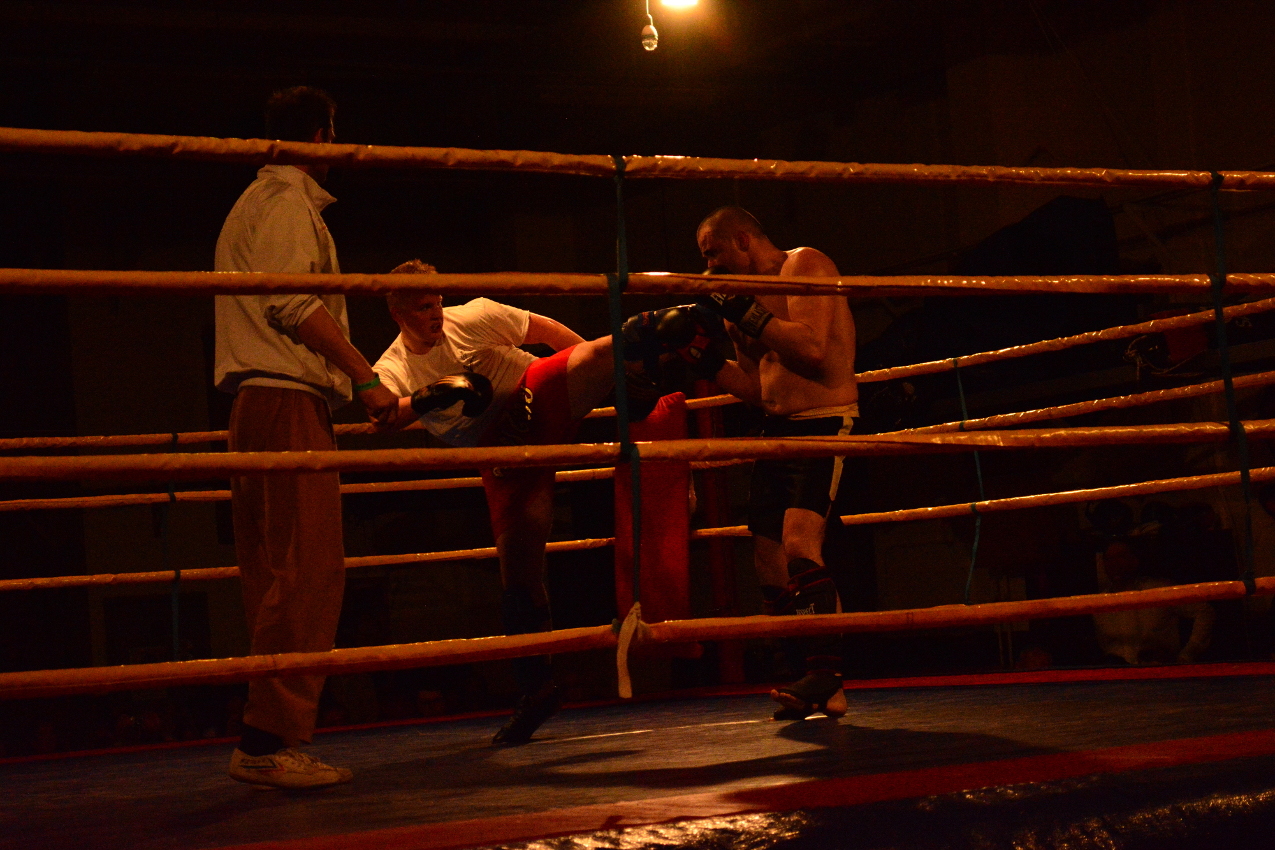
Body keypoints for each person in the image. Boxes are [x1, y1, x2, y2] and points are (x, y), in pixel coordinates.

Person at [373, 260, 655, 744]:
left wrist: (609, 374)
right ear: (398, 315)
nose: (436, 312)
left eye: (437, 300)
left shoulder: (473, 315)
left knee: (605, 347)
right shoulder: (393, 366)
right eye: (422, 307)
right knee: (519, 577)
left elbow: (546, 331)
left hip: (536, 397)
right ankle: (536, 689)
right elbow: (383, 416)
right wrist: (431, 396)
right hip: (501, 453)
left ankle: (683, 326)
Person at [215, 86, 399, 788]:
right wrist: (365, 378)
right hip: (285, 398)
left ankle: (265, 735)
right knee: (309, 570)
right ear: (320, 135)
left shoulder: (258, 202)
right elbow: (293, 303)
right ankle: (267, 742)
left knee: (276, 574)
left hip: (260, 403)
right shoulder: (286, 203)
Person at [626, 206, 858, 721]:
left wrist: (746, 311)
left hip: (823, 421)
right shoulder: (738, 305)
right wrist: (703, 358)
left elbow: (814, 351)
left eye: (714, 253)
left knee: (800, 543)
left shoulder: (805, 265)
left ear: (744, 240)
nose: (709, 267)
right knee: (768, 561)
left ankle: (827, 677)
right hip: (776, 430)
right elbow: (758, 389)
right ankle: (803, 677)